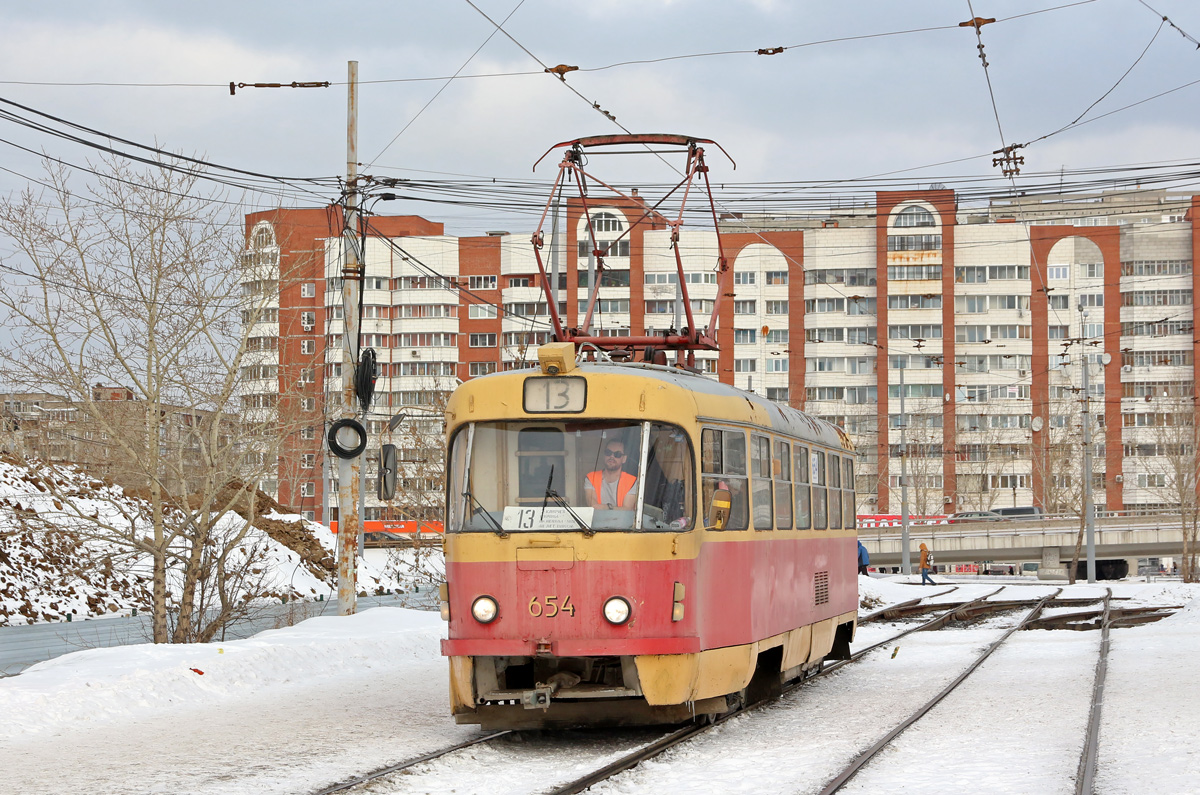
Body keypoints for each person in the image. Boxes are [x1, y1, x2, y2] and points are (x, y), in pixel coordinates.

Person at [584, 439, 638, 510]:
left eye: (617, 454)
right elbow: (593, 507)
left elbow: (627, 510)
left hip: (622, 521)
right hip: (598, 520)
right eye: (608, 452)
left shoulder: (632, 481)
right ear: (604, 455)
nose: (612, 456)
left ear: (624, 459)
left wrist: (606, 507)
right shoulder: (591, 477)